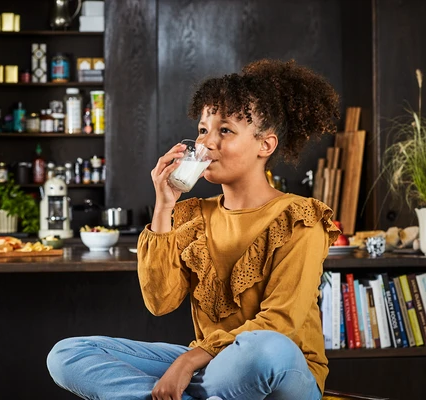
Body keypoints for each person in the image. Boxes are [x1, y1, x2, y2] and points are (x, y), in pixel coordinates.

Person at [47, 59, 341, 400]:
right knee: (68, 355)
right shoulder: (194, 216)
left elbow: (280, 323)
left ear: (266, 145)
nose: (206, 143)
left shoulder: (299, 217)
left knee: (267, 348)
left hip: (280, 371)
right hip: (212, 371)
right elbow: (159, 302)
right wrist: (164, 205)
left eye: (225, 130)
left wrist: (187, 362)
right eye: (203, 130)